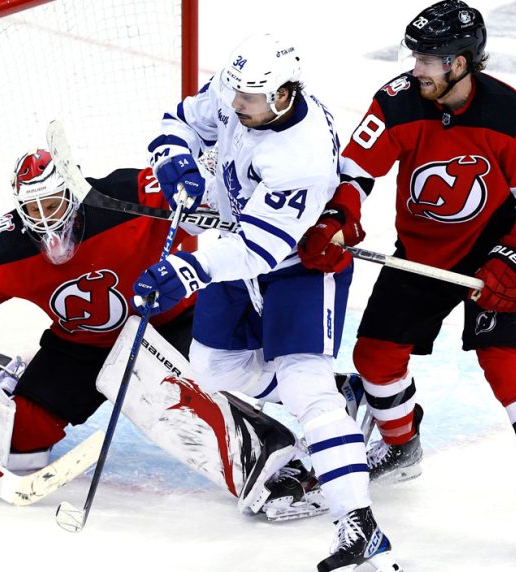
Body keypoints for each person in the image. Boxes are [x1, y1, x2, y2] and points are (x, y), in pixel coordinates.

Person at [0, 148, 325, 521]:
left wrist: (206, 183)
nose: (45, 219)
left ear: (73, 188)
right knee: (20, 449)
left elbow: (217, 189)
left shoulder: (127, 196)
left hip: (172, 325)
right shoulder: (7, 246)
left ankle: (280, 457)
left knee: (194, 396)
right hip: (80, 348)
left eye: (53, 202)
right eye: (32, 209)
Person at [296, 0, 516, 561]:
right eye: (416, 56)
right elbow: (355, 173)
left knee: (508, 362)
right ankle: (400, 443)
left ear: (461, 64)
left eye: (431, 59)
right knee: (375, 357)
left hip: (495, 252)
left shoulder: (510, 114)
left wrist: (514, 259)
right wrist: (339, 218)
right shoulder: (396, 102)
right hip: (423, 251)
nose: (419, 68)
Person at [133, 33, 401, 572]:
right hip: (238, 249)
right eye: (235, 94)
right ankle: (345, 396)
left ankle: (361, 526)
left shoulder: (297, 157)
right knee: (213, 371)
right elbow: (178, 119)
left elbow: (261, 248)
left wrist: (187, 270)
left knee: (305, 386)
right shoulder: (246, 91)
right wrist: (176, 163)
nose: (235, 106)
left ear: (283, 95)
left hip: (301, 267)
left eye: (249, 99)